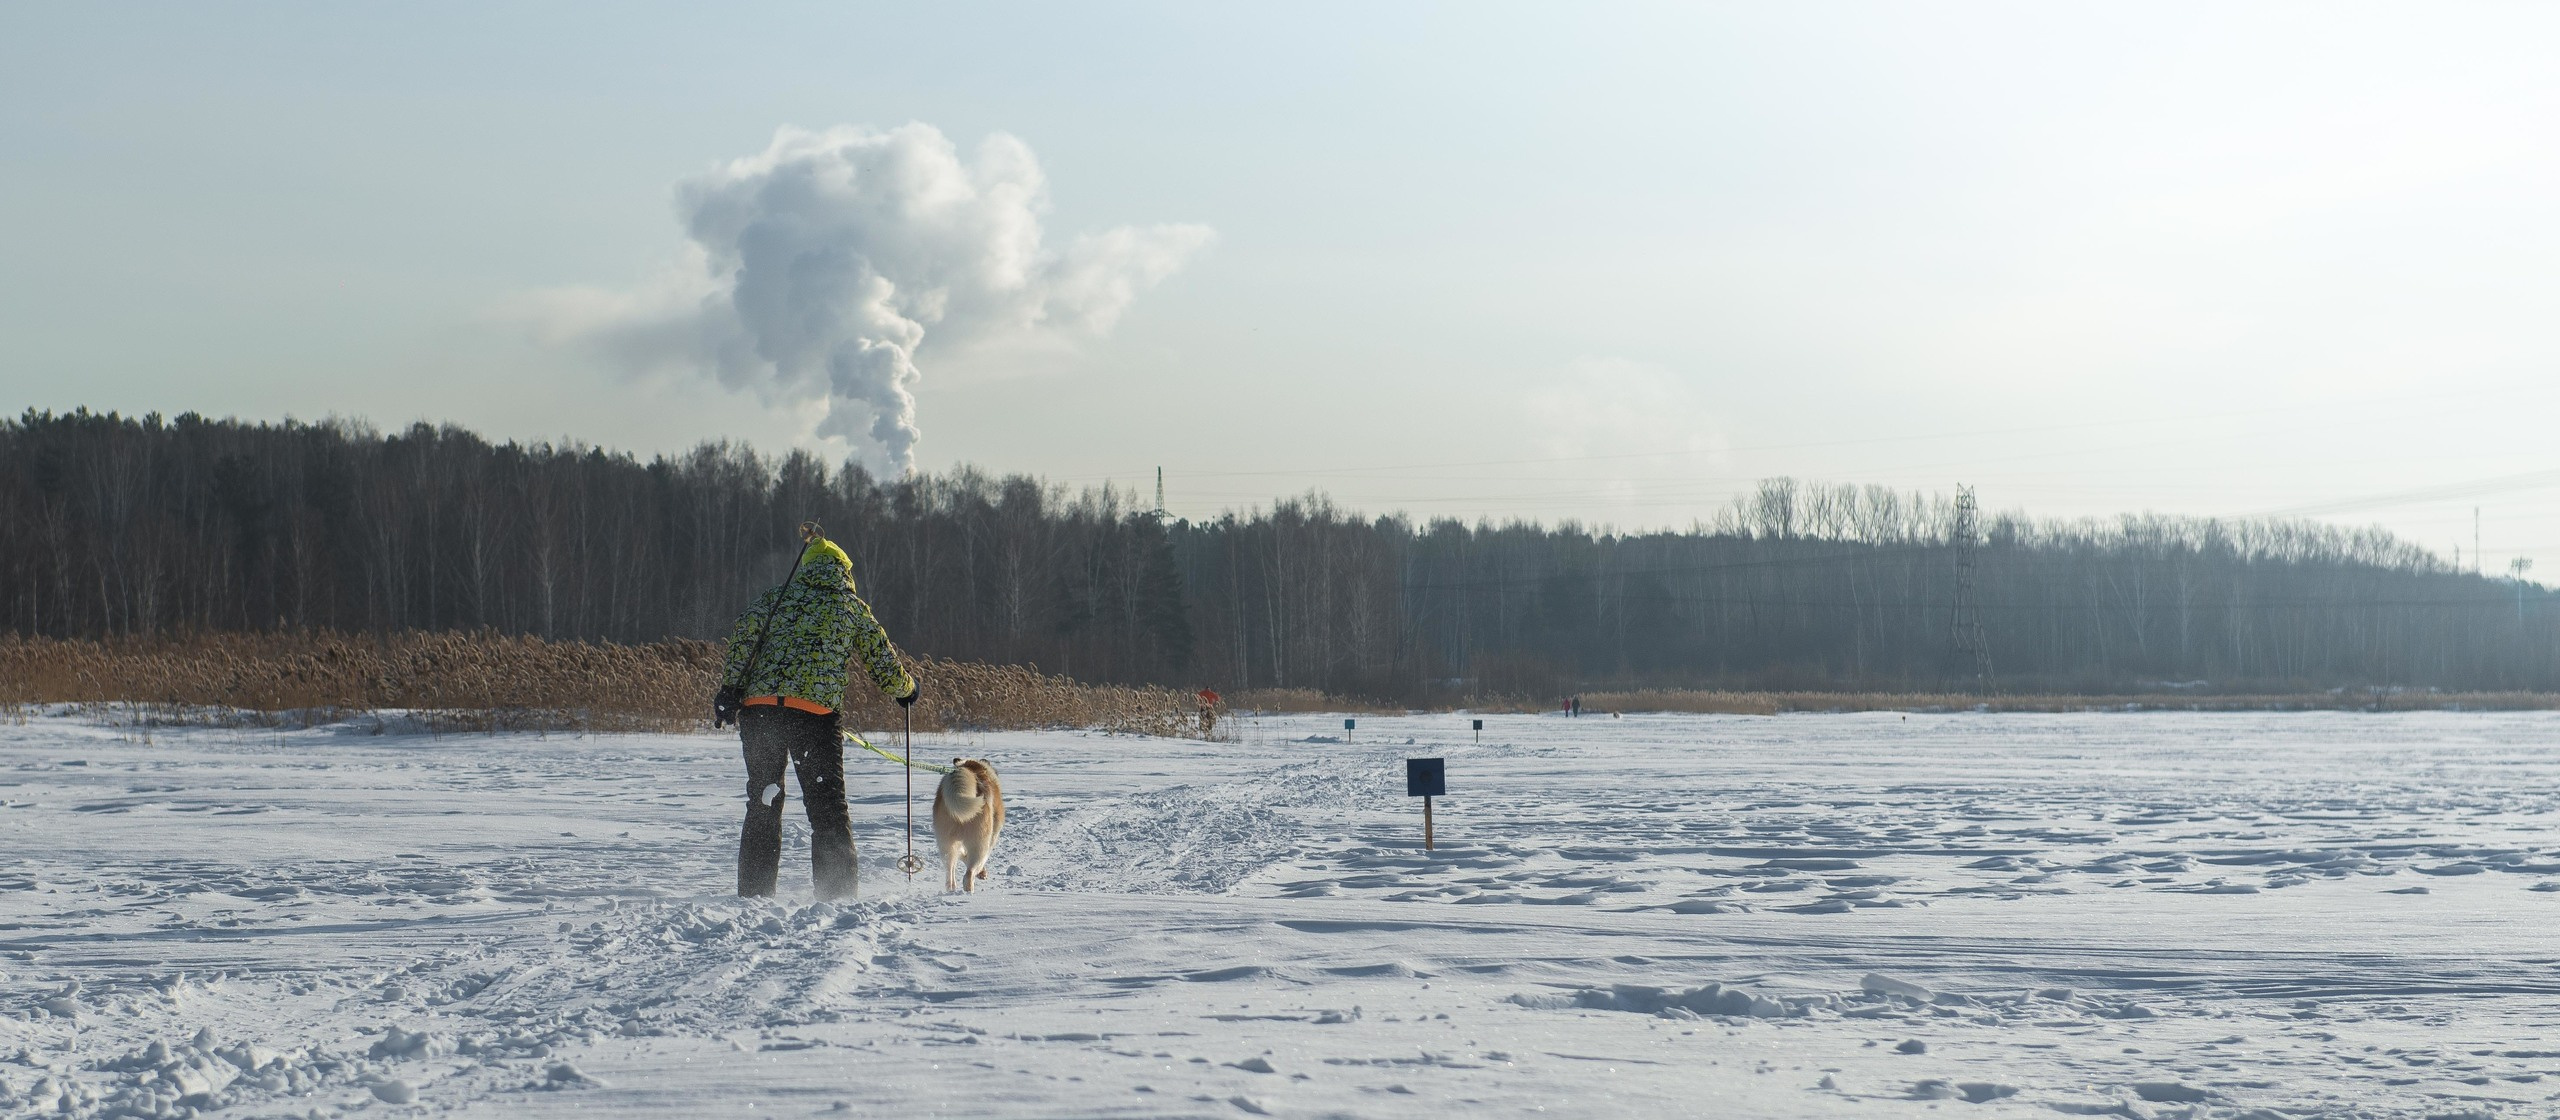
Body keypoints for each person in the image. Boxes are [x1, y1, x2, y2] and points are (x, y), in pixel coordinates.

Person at [713, 523, 918, 900]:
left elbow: (743, 637)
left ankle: (754, 896)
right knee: (826, 810)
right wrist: (907, 690)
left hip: (759, 713)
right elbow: (882, 662)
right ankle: (836, 896)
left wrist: (730, 689)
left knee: (764, 801)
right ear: (844, 572)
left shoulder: (775, 598)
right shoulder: (849, 606)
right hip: (813, 717)